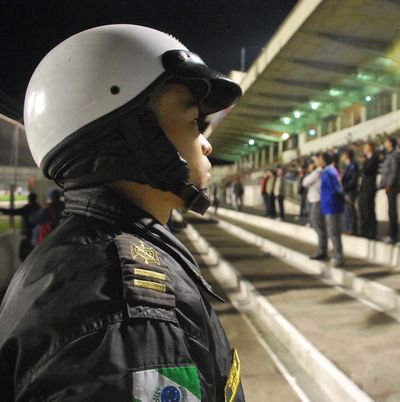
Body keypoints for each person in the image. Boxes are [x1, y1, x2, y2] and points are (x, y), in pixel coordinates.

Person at [0, 25, 245, 401]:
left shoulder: (80, 259)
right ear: (135, 135)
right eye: (194, 122)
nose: (207, 145)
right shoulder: (132, 317)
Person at [319, 152, 345, 267]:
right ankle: (336, 255)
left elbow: (337, 189)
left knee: (334, 232)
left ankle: (338, 257)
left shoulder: (330, 172)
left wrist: (335, 201)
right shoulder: (327, 171)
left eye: (319, 159)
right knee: (333, 232)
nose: (318, 161)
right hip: (328, 205)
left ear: (324, 161)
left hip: (332, 206)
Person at [0, 192, 40, 261]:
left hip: (27, 235)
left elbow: (14, 211)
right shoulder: (38, 208)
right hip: (35, 234)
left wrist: (2, 210)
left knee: (23, 255)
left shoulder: (27, 208)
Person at [379, 136, 400, 243]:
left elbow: (394, 171)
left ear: (391, 143)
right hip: (388, 186)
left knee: (392, 211)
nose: (385, 143)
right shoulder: (388, 155)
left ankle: (393, 235)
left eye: (386, 142)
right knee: (391, 210)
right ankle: (392, 233)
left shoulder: (394, 155)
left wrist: (389, 184)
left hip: (392, 187)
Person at [302, 158, 326, 260]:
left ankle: (322, 251)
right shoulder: (317, 172)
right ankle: (322, 250)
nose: (312, 164)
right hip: (316, 201)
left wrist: (313, 170)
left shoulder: (318, 172)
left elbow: (305, 182)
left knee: (319, 227)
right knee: (318, 227)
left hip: (317, 202)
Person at [359, 142, 379, 239]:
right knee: (363, 209)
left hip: (369, 187)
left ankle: (371, 232)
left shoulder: (374, 158)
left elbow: (366, 170)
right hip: (364, 187)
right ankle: (364, 230)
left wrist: (364, 163)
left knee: (369, 210)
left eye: (366, 147)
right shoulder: (367, 159)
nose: (364, 149)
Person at [340, 149, 359, 235]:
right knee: (345, 210)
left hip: (350, 191)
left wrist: (345, 187)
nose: (342, 157)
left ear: (347, 155)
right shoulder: (345, 166)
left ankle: (352, 228)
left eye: (343, 155)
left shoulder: (352, 165)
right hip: (344, 191)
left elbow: (354, 180)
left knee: (349, 209)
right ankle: (346, 228)